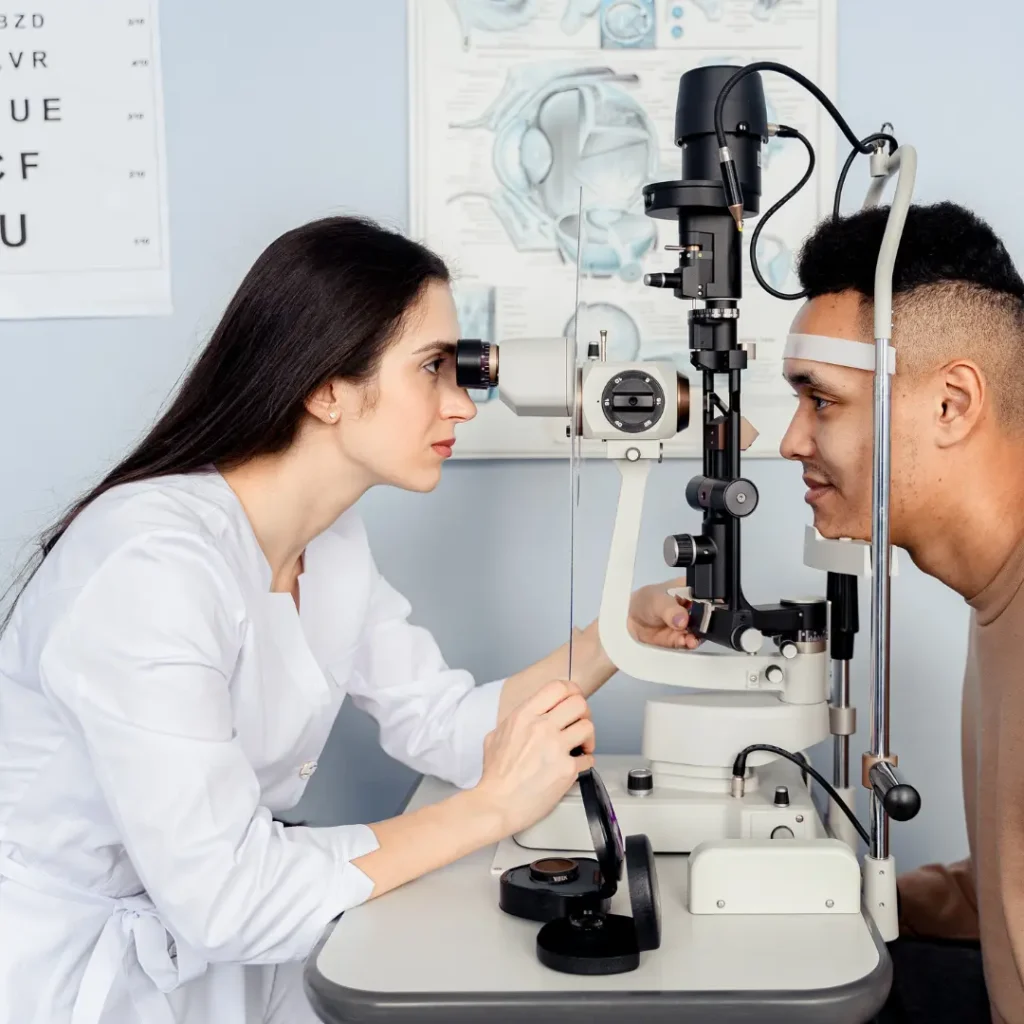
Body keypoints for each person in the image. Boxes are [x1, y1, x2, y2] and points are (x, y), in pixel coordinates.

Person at [0, 215, 697, 1024]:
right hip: (63, 974)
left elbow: (445, 725)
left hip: (217, 950)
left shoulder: (330, 545)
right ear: (327, 388)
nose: (462, 405)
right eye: (433, 368)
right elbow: (226, 896)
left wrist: (616, 634)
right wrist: (489, 811)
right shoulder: (149, 566)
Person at [779, 200, 1024, 1024]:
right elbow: (1002, 891)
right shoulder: (996, 594)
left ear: (951, 404)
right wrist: (839, 895)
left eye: (821, 401)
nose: (790, 440)